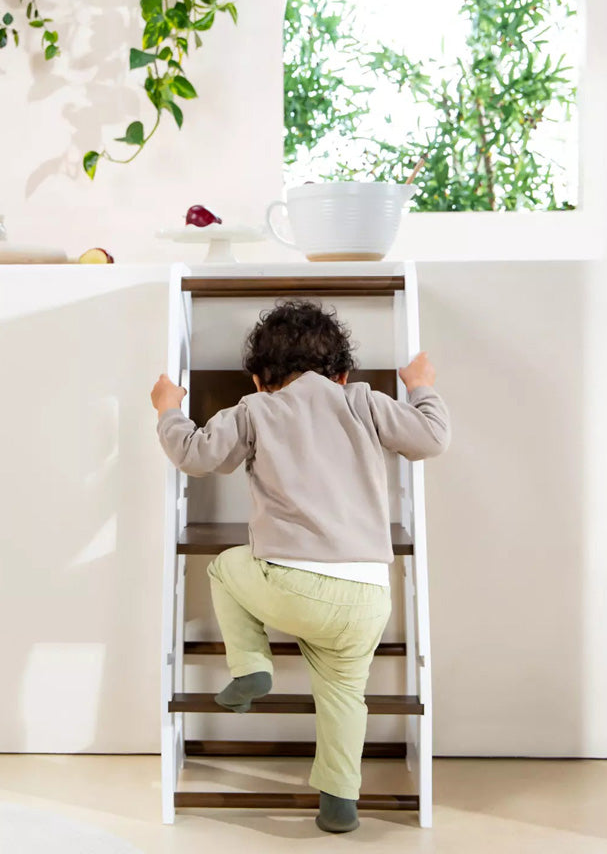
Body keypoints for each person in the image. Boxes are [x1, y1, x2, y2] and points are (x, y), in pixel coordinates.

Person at [151, 299, 451, 833]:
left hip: (292, 586)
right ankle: (339, 802)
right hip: (367, 596)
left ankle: (250, 666)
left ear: (259, 379)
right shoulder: (364, 401)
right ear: (343, 373)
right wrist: (421, 386)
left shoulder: (255, 409)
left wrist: (168, 409)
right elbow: (432, 437)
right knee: (344, 697)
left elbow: (196, 455)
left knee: (224, 567)